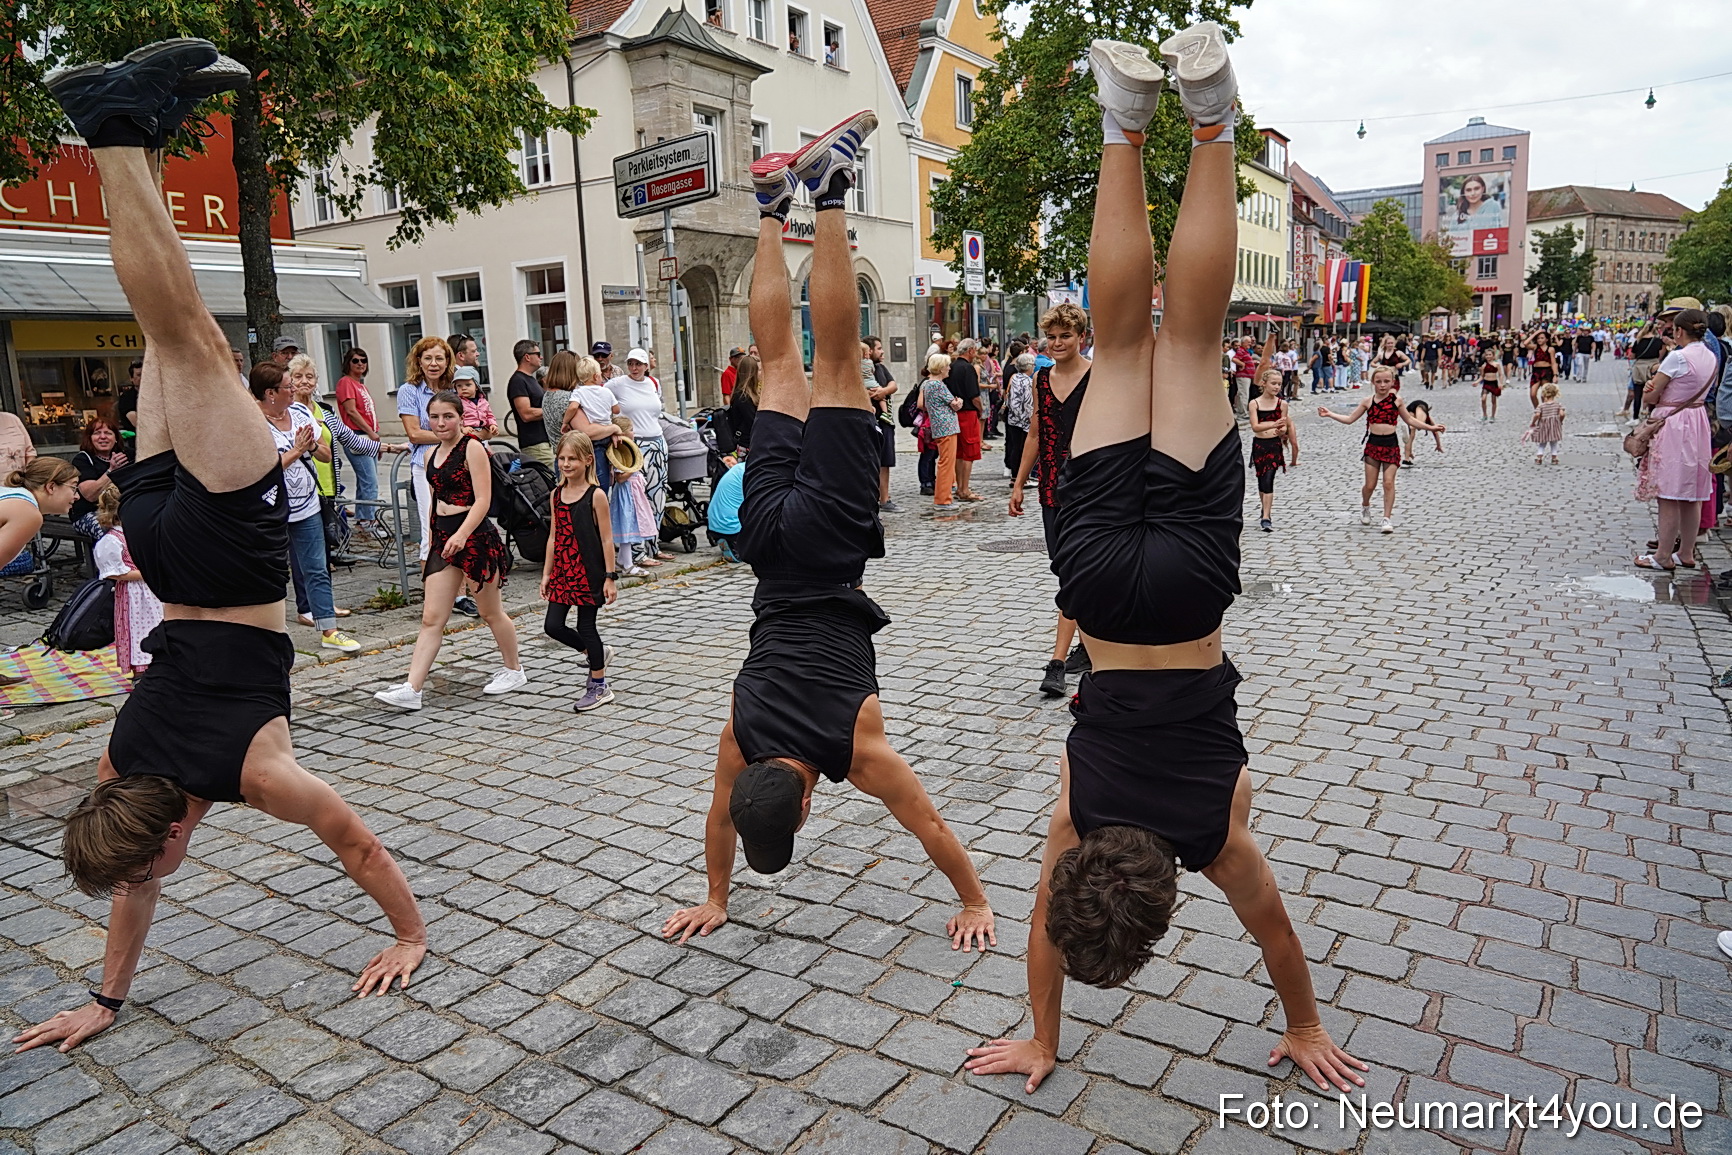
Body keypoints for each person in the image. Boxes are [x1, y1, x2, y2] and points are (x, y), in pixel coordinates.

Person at [962, 29, 1362, 1097]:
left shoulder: (1214, 837)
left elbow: (1274, 933)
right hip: (1096, 587)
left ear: (1165, 898)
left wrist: (1308, 1023)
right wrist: (1038, 1034)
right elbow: (1047, 930)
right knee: (1127, 343)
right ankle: (1121, 122)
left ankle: (1212, 116)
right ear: (1087, 870)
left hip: (1187, 592)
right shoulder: (1075, 818)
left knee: (1183, 342)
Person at [15, 42, 425, 1058]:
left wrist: (409, 934)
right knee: (164, 334)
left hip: (227, 552)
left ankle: (112, 126)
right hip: (156, 538)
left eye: (147, 864)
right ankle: (139, 131)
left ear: (162, 834)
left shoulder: (260, 774)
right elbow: (132, 872)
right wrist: (103, 1001)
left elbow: (359, 844)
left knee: (192, 334)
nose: (151, 878)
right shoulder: (122, 764)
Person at [662, 112, 995, 954]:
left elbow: (928, 823)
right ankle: (773, 204)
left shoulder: (859, 746)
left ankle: (833, 186)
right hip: (767, 548)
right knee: (779, 366)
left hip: (830, 544)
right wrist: (714, 892)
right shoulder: (739, 734)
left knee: (836, 361)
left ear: (809, 803)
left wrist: (977, 901)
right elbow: (717, 816)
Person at [375, 392, 525, 708]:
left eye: (448, 416)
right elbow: (432, 500)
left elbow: (483, 500)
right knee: (432, 617)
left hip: (475, 538)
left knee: (490, 611)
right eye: (436, 416)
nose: (441, 423)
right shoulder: (430, 454)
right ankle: (412, 688)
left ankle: (514, 668)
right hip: (443, 539)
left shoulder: (473, 448)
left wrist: (462, 534)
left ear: (460, 417)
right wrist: (432, 539)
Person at [1010, 301, 1093, 698]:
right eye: (1053, 336)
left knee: (1078, 571)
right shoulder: (1041, 380)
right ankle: (1090, 646)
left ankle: (1057, 663)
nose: (1058, 343)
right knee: (1064, 567)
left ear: (1081, 337)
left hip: (1093, 487)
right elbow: (1034, 434)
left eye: (1066, 336)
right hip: (1051, 489)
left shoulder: (1099, 376)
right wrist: (1018, 484)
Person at [255, 364, 359, 651]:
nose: (294, 390)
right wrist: (296, 451)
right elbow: (261, 472)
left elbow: (325, 455)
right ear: (270, 393)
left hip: (308, 503)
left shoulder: (300, 413)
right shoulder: (251, 421)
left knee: (316, 567)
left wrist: (312, 447)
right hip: (269, 509)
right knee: (270, 571)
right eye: (288, 386)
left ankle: (329, 630)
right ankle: (267, 633)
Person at [1633, 309, 1716, 572]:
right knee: (1692, 492)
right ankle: (1686, 552)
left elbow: (1652, 396)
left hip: (1674, 422)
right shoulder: (1710, 356)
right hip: (1698, 420)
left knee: (1668, 491)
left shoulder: (1677, 358)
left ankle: (1663, 555)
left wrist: (1649, 389)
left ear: (1679, 331)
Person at [542, 431, 618, 712]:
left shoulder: (596, 495)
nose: (565, 463)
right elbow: (553, 535)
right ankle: (595, 653)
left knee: (587, 627)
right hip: (563, 571)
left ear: (587, 460)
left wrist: (610, 577)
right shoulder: (556, 495)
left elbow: (607, 539)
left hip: (589, 571)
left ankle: (598, 685)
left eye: (572, 458)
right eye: (561, 458)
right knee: (553, 625)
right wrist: (547, 573)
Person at [1319, 366, 1444, 533]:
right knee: (1370, 485)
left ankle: (1386, 518)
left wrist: (1432, 427)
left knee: (1388, 482)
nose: (1383, 385)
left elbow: (1410, 420)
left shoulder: (1397, 401)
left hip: (1391, 444)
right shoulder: (1367, 401)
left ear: (1392, 382)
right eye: (1379, 382)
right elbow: (1350, 419)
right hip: (1373, 444)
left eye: (1386, 381)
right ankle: (1365, 505)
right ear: (1373, 383)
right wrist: (1331, 414)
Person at [610, 349, 674, 565]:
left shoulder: (653, 383)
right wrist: (614, 428)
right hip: (634, 445)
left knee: (658, 497)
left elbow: (658, 411)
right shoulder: (618, 384)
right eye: (631, 363)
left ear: (647, 365)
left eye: (639, 364)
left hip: (657, 442)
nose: (635, 368)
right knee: (636, 498)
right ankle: (637, 553)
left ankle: (653, 546)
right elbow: (600, 398)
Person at [93, 485, 163, 678]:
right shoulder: (113, 540)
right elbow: (113, 572)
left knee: (157, 622)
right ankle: (141, 667)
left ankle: (158, 663)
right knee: (138, 626)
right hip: (134, 594)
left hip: (150, 590)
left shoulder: (135, 532)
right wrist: (147, 572)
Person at [397, 336, 454, 564]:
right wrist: (450, 435)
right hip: (425, 465)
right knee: (431, 526)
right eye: (428, 358)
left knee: (456, 525)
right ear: (418, 361)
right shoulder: (409, 390)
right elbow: (414, 434)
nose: (434, 363)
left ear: (447, 361)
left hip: (454, 464)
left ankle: (459, 596)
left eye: (439, 358)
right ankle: (433, 595)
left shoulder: (452, 390)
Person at [334, 348, 386, 525]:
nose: (360, 364)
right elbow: (351, 411)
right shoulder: (346, 382)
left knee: (364, 480)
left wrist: (374, 433)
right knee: (370, 481)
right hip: (357, 436)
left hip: (367, 435)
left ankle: (363, 516)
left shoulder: (360, 384)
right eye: (355, 360)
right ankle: (370, 520)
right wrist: (371, 434)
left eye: (363, 360)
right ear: (348, 362)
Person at [0, 458, 78, 569]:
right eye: (73, 488)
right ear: (51, 487)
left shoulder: (15, 498)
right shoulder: (28, 513)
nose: (77, 496)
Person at [606, 415, 659, 575]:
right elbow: (620, 478)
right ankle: (628, 563)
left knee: (632, 524)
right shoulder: (619, 451)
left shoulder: (630, 449)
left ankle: (624, 559)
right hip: (626, 494)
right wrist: (633, 469)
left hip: (633, 494)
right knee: (626, 525)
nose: (633, 433)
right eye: (631, 430)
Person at [562, 355, 622, 492]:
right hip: (606, 435)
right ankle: (603, 492)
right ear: (596, 376)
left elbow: (572, 408)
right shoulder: (606, 391)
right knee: (604, 472)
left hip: (590, 439)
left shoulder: (578, 392)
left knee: (593, 472)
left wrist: (565, 422)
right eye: (600, 375)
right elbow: (617, 410)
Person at [69, 418, 130, 540]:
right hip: (89, 514)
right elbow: (90, 495)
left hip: (123, 511)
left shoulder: (127, 455)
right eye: (97, 433)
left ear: (116, 438)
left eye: (108, 433)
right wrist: (111, 470)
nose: (103, 437)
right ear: (90, 438)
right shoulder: (82, 459)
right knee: (112, 533)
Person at [919, 353, 962, 510]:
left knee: (944, 462)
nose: (949, 368)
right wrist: (959, 402)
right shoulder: (938, 385)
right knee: (946, 464)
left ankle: (944, 496)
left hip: (939, 427)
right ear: (941, 368)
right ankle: (943, 499)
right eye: (947, 366)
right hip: (946, 427)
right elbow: (955, 404)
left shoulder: (927, 384)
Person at [1248, 363, 1288, 532]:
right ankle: (1264, 508)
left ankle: (1266, 516)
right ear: (1264, 383)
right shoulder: (1254, 403)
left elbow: (1284, 426)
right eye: (1274, 383)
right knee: (1261, 478)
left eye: (1279, 384)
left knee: (1269, 478)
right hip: (1259, 445)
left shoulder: (1282, 404)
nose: (1277, 387)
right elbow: (1255, 427)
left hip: (1274, 445)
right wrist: (1273, 424)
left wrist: (1281, 430)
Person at [948, 339, 986, 501]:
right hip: (968, 412)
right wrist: (981, 409)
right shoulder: (968, 369)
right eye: (975, 350)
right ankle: (964, 489)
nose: (976, 353)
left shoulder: (952, 366)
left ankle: (959, 487)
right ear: (970, 350)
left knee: (958, 452)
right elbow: (974, 395)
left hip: (954, 412)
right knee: (969, 452)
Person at [865, 336, 899, 512]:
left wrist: (883, 391)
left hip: (885, 421)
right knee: (870, 461)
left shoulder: (880, 368)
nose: (882, 351)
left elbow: (893, 384)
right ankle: (872, 497)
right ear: (869, 351)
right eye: (878, 348)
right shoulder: (862, 370)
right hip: (870, 421)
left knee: (885, 461)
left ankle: (884, 498)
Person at [505, 339, 552, 469]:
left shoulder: (530, 379)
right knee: (552, 481)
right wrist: (553, 409)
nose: (541, 357)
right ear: (527, 357)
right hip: (535, 445)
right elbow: (526, 414)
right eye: (537, 354)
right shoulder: (518, 381)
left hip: (543, 442)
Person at [707, 456, 747, 562]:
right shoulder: (753, 473)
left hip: (714, 525)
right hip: (733, 527)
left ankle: (731, 542)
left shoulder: (739, 468)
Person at [1004, 352, 1035, 482]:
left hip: (1013, 418)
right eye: (1033, 364)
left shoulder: (1015, 377)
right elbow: (1028, 402)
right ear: (1028, 366)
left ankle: (1015, 475)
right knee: (1022, 449)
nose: (1034, 367)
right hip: (1023, 421)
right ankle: (1021, 477)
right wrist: (1031, 418)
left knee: (1015, 447)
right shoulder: (1027, 381)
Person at [728, 355, 761, 452]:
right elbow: (754, 422)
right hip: (747, 445)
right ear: (752, 373)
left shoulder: (752, 394)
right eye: (759, 370)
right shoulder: (743, 397)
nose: (762, 373)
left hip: (752, 443)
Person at [1529, 383, 1566, 466]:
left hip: (1543, 426)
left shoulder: (1541, 406)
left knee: (1542, 443)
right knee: (1554, 443)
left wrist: (1533, 422)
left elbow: (1537, 415)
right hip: (1554, 426)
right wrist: (1560, 421)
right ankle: (1554, 458)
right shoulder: (1558, 405)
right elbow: (1562, 414)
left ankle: (1539, 458)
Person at [1400, 397, 1443, 467]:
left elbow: (1435, 431)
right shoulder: (1428, 418)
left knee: (1410, 437)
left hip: (1409, 410)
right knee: (1419, 424)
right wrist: (1438, 445)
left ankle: (1406, 459)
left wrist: (1410, 452)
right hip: (1420, 407)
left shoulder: (1427, 417)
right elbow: (1435, 431)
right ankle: (1412, 426)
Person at [1527, 331, 1557, 407]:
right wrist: (1535, 333)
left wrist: (1555, 375)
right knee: (1532, 394)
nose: (1540, 340)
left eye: (1542, 338)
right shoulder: (1535, 347)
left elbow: (1553, 363)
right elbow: (1525, 344)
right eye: (1538, 338)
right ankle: (1537, 410)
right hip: (1536, 371)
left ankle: (1545, 411)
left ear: (1546, 339)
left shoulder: (1550, 349)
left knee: (1544, 395)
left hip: (1546, 371)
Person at [1479, 348, 1505, 422]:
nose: (1488, 356)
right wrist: (1477, 382)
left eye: (1490, 355)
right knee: (1483, 398)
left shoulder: (1497, 364)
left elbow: (1500, 374)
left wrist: (1501, 383)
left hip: (1494, 383)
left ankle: (1493, 416)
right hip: (1486, 383)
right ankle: (1484, 414)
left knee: (1493, 400)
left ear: (1493, 356)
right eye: (1487, 355)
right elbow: (1482, 376)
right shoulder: (1483, 366)